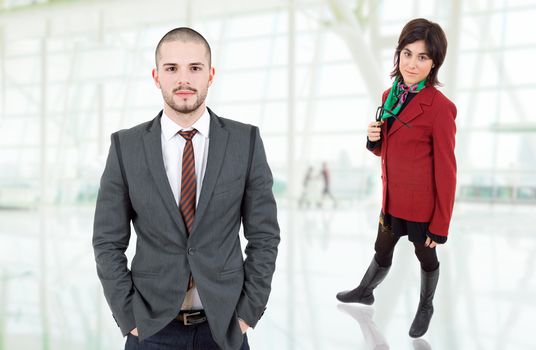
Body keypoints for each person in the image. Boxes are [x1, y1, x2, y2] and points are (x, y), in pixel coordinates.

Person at [92, 27, 280, 350]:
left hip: (224, 329)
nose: (184, 79)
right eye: (171, 68)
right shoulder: (125, 147)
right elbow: (107, 241)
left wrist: (247, 314)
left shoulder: (245, 142)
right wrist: (129, 318)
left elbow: (264, 237)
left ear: (211, 75)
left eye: (195, 68)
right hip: (151, 331)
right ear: (156, 76)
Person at [336, 18, 457, 338]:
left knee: (425, 254)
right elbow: (389, 148)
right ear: (398, 55)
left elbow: (447, 170)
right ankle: (365, 291)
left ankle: (426, 305)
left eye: (422, 57)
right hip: (392, 198)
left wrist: (441, 224)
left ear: (434, 64)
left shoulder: (441, 108)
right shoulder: (390, 94)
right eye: (406, 53)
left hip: (421, 204)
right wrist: (373, 139)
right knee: (382, 249)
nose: (412, 63)